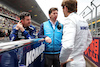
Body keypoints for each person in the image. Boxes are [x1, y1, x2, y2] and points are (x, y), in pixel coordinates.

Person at [59, 0, 92, 67]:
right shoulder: (83, 20)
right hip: (81, 60)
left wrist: (62, 60)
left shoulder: (70, 20)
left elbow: (67, 46)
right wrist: (79, 51)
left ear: (65, 8)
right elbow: (89, 39)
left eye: (62, 8)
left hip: (72, 62)